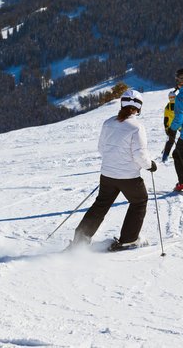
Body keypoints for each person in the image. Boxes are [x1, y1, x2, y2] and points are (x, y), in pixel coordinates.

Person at [69, 88, 157, 251]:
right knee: (139, 201)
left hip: (107, 175)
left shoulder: (108, 123)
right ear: (138, 107)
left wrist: (113, 162)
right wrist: (150, 165)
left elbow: (102, 148)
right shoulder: (136, 127)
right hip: (129, 177)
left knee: (101, 204)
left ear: (122, 104)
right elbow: (140, 155)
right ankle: (128, 240)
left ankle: (80, 239)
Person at [162, 90, 183, 162]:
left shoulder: (167, 107)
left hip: (172, 126)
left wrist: (166, 128)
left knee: (170, 141)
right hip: (181, 125)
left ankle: (165, 157)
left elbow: (166, 119)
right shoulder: (180, 104)